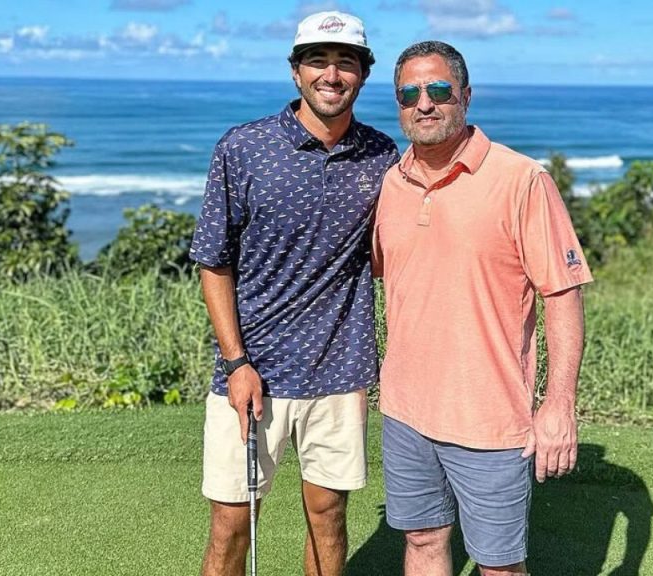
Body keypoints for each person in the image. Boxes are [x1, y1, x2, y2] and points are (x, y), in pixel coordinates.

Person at [372, 40, 594, 575]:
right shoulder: (391, 184)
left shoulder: (521, 180)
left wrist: (558, 404)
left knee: (499, 566)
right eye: (409, 93)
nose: (424, 103)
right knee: (422, 540)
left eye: (439, 89)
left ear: (465, 97)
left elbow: (563, 297)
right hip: (405, 411)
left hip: (491, 419)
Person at [189, 10, 398, 576]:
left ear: (362, 74)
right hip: (253, 372)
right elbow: (214, 262)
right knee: (233, 525)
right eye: (318, 61)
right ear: (296, 71)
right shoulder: (243, 147)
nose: (331, 74)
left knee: (328, 515)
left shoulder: (383, 157)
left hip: (340, 370)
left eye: (345, 62)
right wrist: (236, 362)